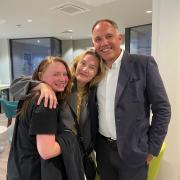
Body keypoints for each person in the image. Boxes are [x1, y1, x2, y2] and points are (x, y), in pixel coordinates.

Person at [90, 19, 171, 180]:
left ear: (119, 38)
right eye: (98, 39)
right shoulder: (95, 70)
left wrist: (152, 149)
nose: (104, 43)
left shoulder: (143, 64)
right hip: (104, 152)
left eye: (109, 36)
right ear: (94, 44)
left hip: (135, 153)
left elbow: (162, 109)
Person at [9, 49, 106, 180]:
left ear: (96, 73)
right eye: (83, 63)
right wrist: (41, 85)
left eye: (92, 67)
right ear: (76, 65)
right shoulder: (62, 86)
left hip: (85, 154)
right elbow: (16, 84)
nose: (85, 69)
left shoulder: (95, 92)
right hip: (61, 154)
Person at [7, 56, 72, 180]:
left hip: (19, 167)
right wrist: (71, 140)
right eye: (56, 74)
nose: (63, 79)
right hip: (34, 171)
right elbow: (47, 151)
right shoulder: (47, 102)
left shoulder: (31, 94)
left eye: (65, 74)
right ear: (41, 76)